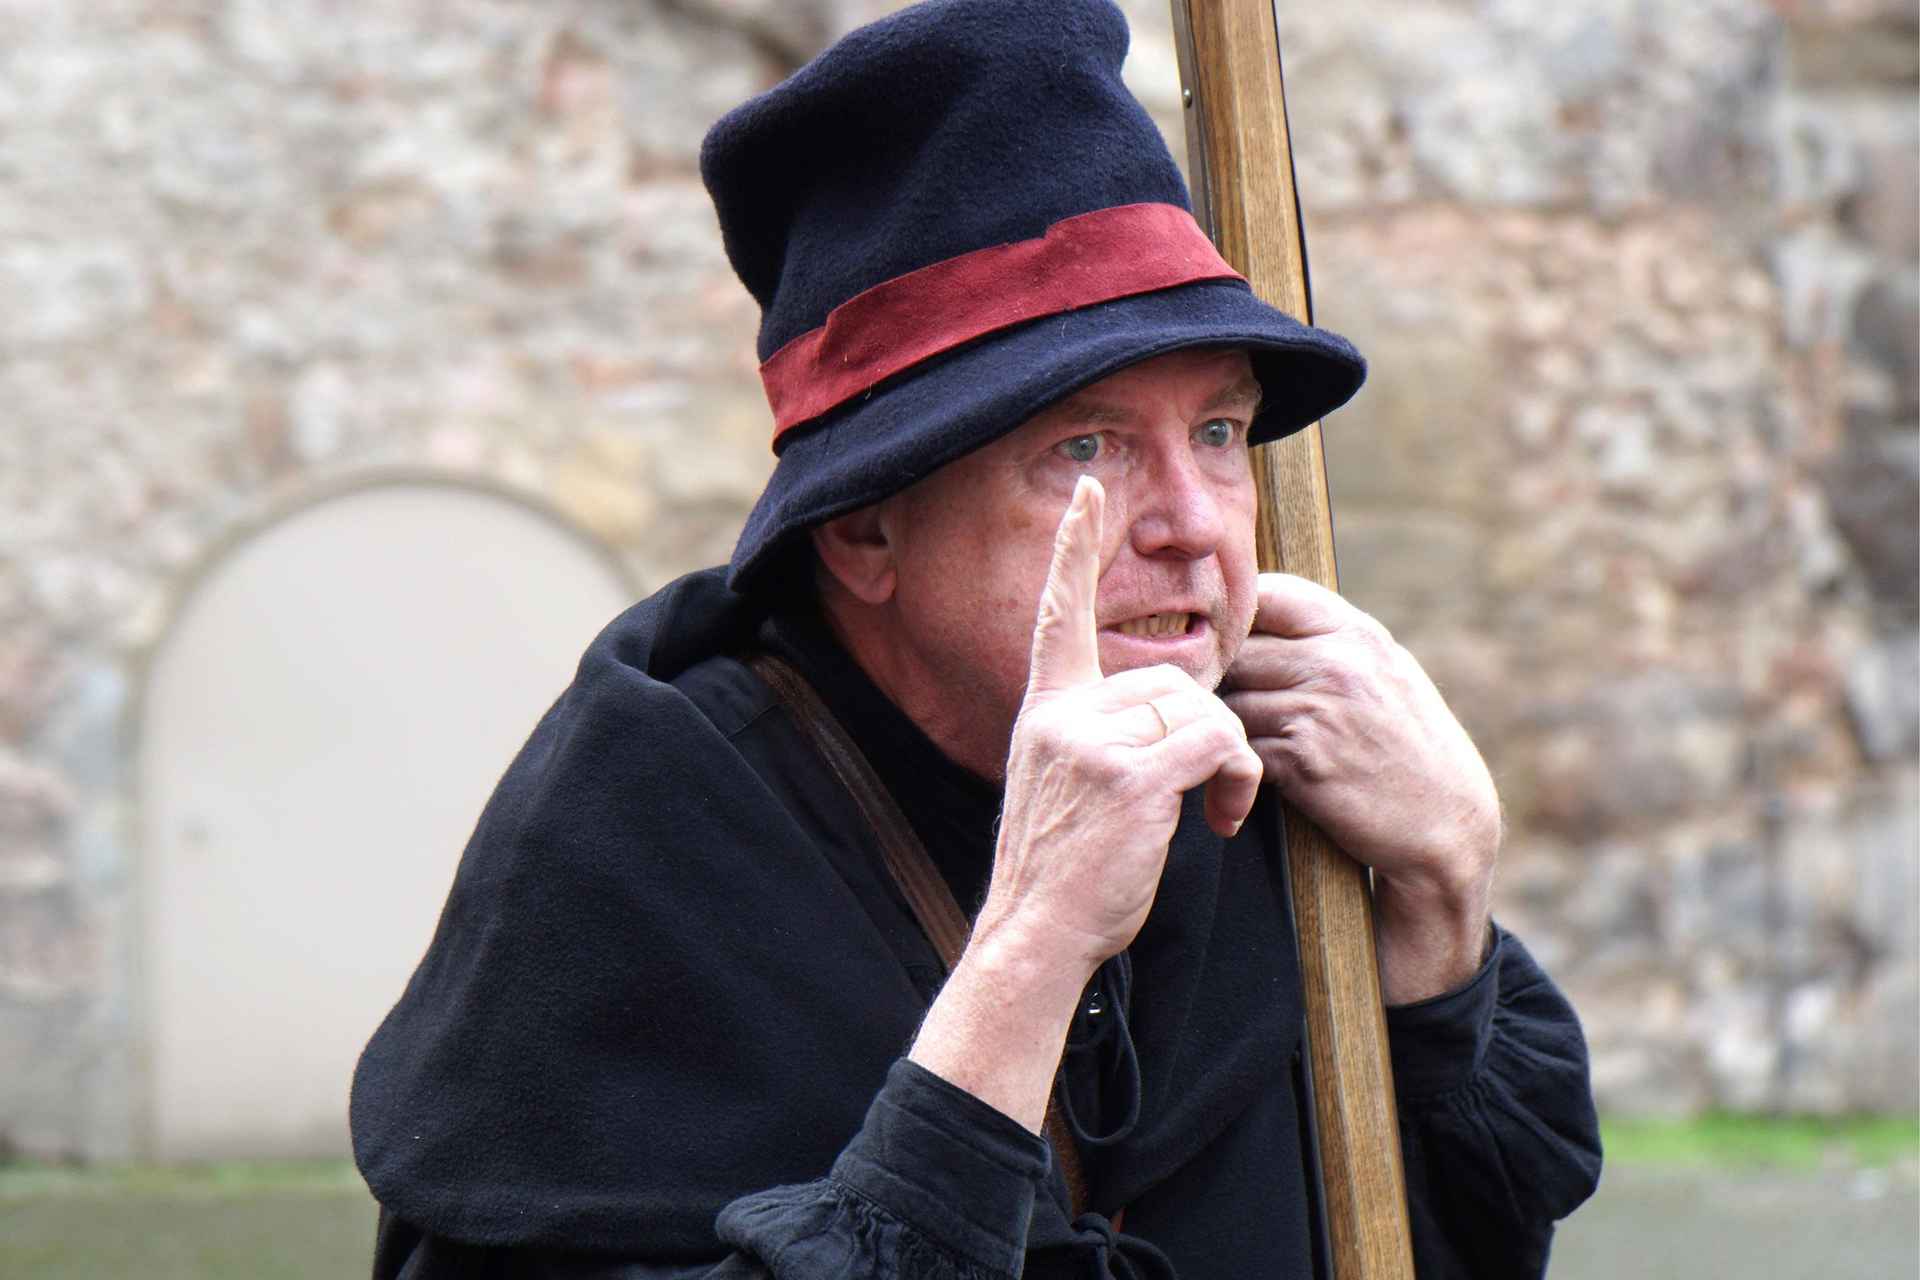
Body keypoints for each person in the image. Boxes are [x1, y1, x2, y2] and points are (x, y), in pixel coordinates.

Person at [351, 1, 1602, 1276]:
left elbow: (1448, 1249)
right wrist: (1033, 948)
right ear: (866, 531)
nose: (1192, 523)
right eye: (1086, 444)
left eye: (1219, 432)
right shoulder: (651, 828)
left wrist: (1443, 893)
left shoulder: (1281, 780)